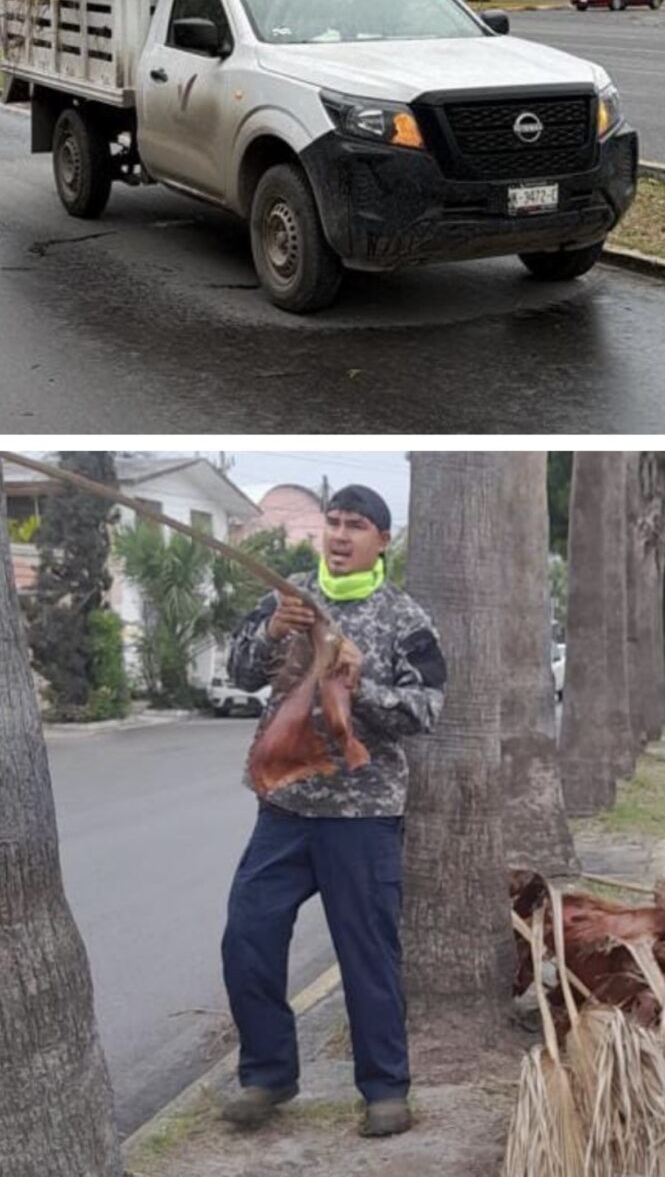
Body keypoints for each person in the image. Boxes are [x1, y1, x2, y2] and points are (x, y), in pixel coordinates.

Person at [219, 484, 446, 1138]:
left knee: (367, 955)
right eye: (335, 522)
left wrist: (359, 682)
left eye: (357, 526)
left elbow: (425, 711)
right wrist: (271, 632)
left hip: (363, 815)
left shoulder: (405, 619)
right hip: (286, 808)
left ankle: (385, 1090)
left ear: (383, 540)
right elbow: (239, 672)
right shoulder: (287, 598)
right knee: (247, 936)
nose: (341, 536)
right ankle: (268, 1075)